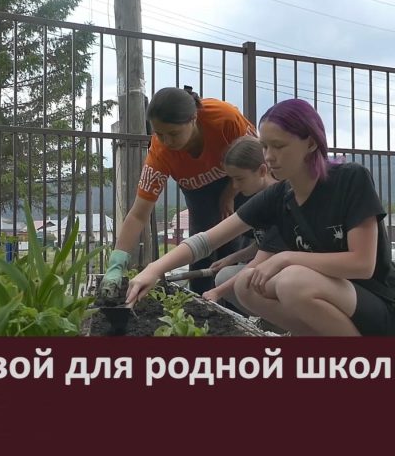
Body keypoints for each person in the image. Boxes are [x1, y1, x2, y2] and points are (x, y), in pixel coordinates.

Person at [125, 98, 395, 336]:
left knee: (291, 281)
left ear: (311, 143)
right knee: (246, 284)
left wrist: (286, 258)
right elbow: (208, 239)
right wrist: (154, 270)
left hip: (377, 303)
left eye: (278, 146)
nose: (269, 156)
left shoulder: (350, 178)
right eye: (264, 146)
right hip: (332, 302)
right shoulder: (280, 195)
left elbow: (362, 264)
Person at [101, 86, 254, 297]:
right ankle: (202, 305)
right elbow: (138, 214)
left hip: (238, 179)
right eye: (159, 134)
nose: (167, 142)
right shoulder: (160, 153)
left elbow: (255, 158)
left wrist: (230, 194)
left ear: (193, 119)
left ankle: (241, 304)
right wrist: (117, 262)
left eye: (173, 133)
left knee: (239, 241)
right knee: (200, 248)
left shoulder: (224, 118)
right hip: (197, 192)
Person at [202, 135, 284, 316]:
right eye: (232, 179)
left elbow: (262, 258)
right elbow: (262, 243)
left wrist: (217, 292)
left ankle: (277, 322)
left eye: (239, 179)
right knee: (228, 272)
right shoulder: (259, 198)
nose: (235, 186)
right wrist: (231, 258)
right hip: (273, 270)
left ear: (262, 171)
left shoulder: (277, 200)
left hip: (286, 275)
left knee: (226, 277)